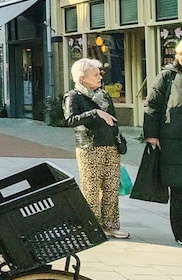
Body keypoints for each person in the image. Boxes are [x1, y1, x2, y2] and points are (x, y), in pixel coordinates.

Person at [63, 58, 128, 239]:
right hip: (89, 147)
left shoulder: (104, 95)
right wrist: (95, 113)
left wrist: (118, 141)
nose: (100, 77)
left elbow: (113, 120)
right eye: (95, 74)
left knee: (111, 187)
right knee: (91, 188)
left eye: (100, 73)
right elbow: (70, 120)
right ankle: (92, 227)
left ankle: (111, 225)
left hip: (110, 146)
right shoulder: (73, 96)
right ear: (82, 78)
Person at [143, 41, 182, 244]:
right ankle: (181, 233)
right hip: (173, 142)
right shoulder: (168, 76)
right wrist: (151, 135)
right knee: (179, 188)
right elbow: (153, 106)